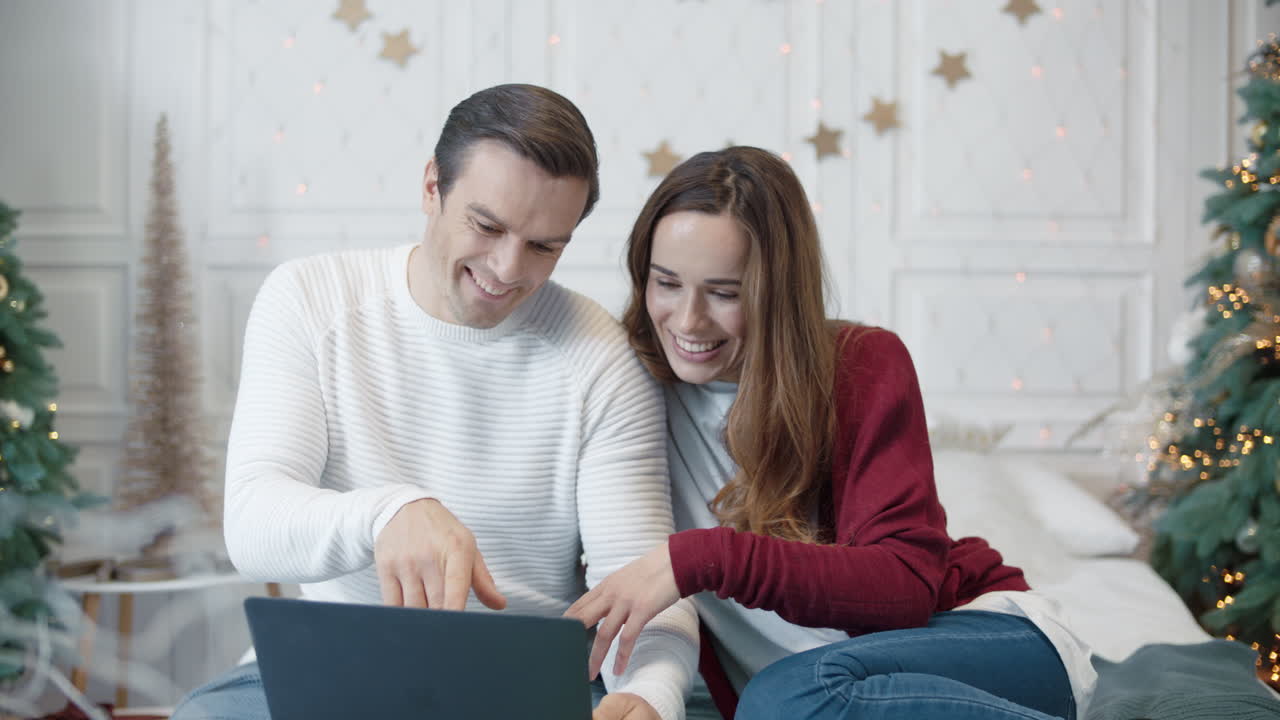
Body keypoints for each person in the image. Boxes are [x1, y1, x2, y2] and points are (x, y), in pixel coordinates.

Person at [170, 84, 701, 720]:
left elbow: (643, 588)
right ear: (431, 187)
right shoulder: (308, 298)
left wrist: (649, 695)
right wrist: (389, 513)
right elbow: (252, 527)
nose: (507, 269)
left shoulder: (600, 355)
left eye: (544, 247)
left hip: (520, 681)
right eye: (487, 226)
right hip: (331, 665)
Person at [566, 146, 1096, 720]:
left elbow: (905, 584)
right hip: (817, 699)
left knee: (784, 696)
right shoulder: (622, 384)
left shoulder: (863, 364)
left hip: (984, 640)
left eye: (725, 293)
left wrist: (703, 558)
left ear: (777, 291)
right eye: (666, 283)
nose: (689, 320)